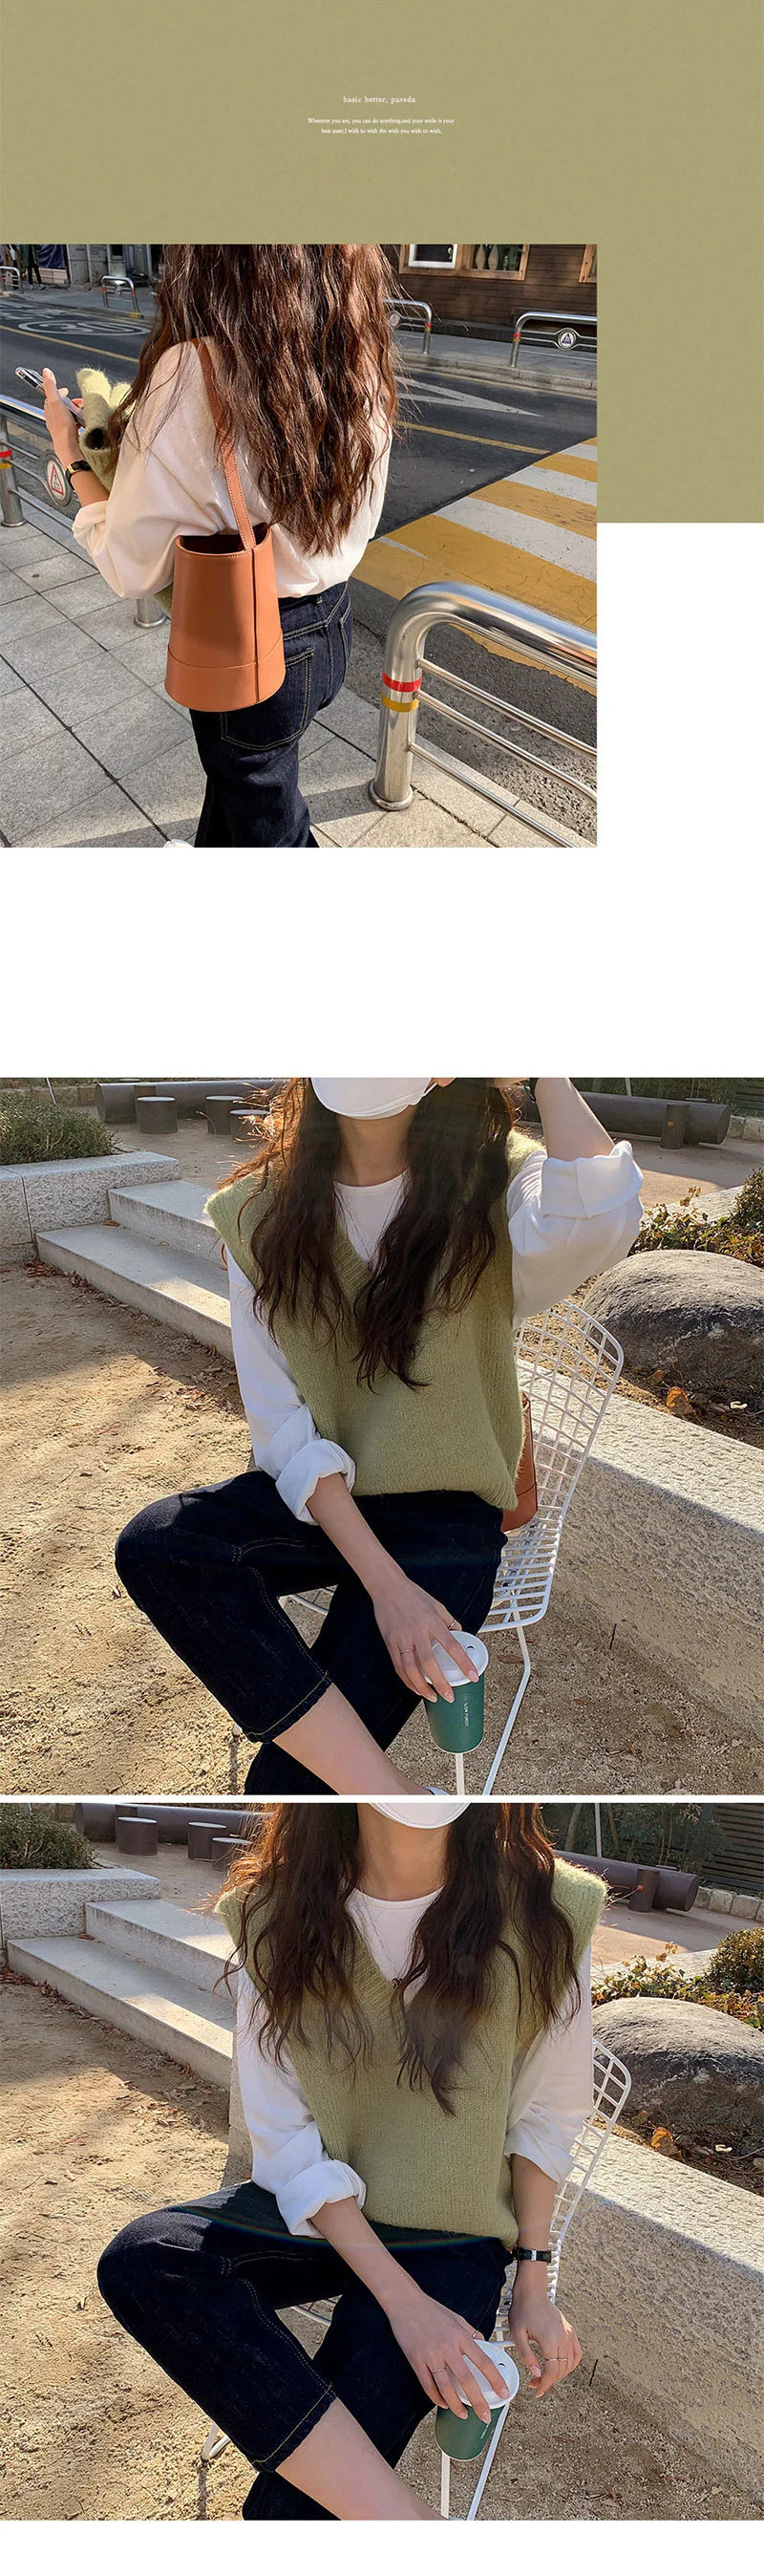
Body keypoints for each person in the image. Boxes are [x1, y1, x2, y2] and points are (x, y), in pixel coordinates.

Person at [115, 1078, 643, 1795]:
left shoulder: (496, 1178)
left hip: (446, 1520)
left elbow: (599, 1215)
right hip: (330, 1507)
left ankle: (360, 1786)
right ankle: (399, 1799)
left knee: (287, 1788)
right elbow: (282, 1425)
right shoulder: (257, 1213)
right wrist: (389, 1590)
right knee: (160, 1544)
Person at [97, 1797, 605, 2521]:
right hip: (324, 2216)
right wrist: (405, 2306)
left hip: (450, 2234)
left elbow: (548, 2115)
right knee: (148, 2260)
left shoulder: (548, 1908)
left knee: (289, 2518)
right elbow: (285, 2134)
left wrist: (533, 2279)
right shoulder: (275, 1913)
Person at [40, 245, 396, 848]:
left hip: (246, 643)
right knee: (241, 786)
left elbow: (130, 566)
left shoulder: (190, 371)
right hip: (333, 622)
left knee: (272, 832)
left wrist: (72, 453)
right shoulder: (356, 355)